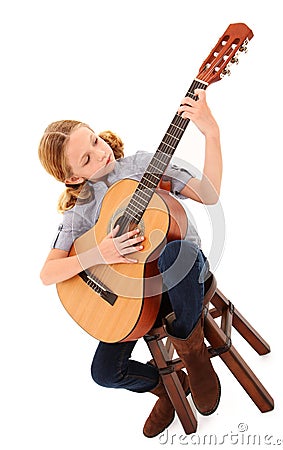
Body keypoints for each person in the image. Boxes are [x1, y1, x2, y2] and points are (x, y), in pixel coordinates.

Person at [38, 89, 222, 438]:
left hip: (184, 278)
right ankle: (168, 387)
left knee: (174, 252)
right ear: (74, 178)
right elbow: (48, 273)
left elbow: (209, 194)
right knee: (104, 373)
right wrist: (100, 254)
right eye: (86, 159)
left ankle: (194, 352)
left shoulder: (141, 166)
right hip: (137, 298)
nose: (100, 153)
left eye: (94, 141)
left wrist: (211, 132)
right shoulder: (82, 209)